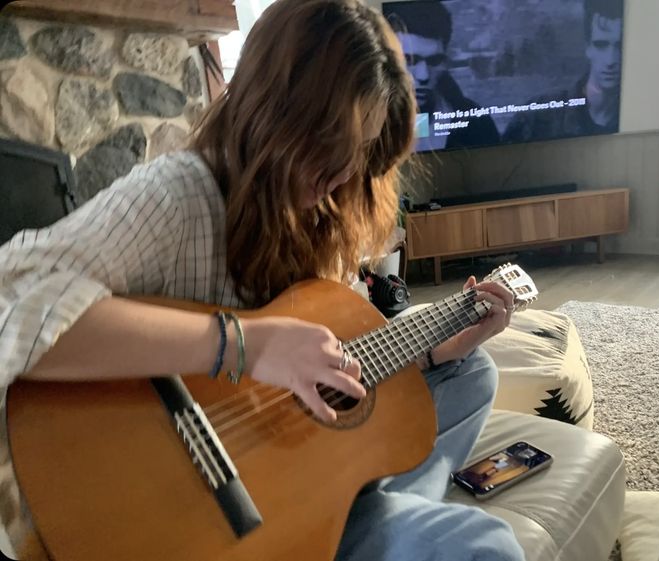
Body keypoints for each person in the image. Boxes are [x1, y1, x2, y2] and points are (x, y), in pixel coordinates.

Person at [0, 1, 525, 560]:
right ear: (273, 114)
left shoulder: (322, 211)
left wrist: (437, 349)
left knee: (473, 374)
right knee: (485, 546)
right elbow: (11, 302)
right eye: (330, 147)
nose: (344, 174)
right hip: (202, 508)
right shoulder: (177, 196)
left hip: (294, 470)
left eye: (362, 150)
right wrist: (244, 345)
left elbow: (333, 364)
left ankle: (335, 508)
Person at [384, 2, 501, 152]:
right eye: (409, 60)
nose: (423, 75)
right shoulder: (364, 124)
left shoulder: (476, 123)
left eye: (434, 61)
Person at [503, 0, 623, 143]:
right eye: (601, 45)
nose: (610, 60)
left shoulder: (638, 113)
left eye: (619, 46)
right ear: (588, 47)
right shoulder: (537, 115)